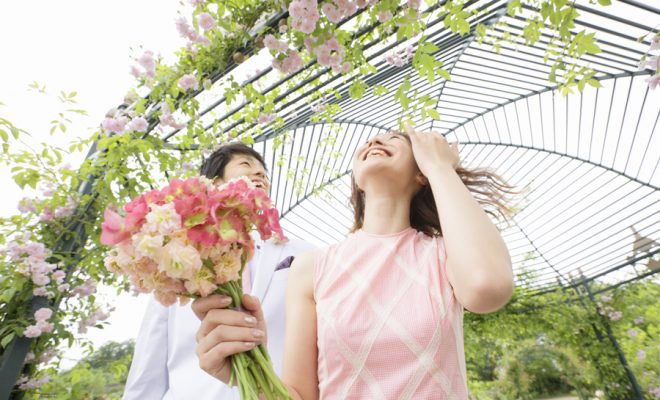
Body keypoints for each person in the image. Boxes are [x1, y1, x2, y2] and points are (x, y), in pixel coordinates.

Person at [194, 130, 515, 399]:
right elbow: (300, 396)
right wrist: (245, 368)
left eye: (393, 138)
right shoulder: (311, 268)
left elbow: (486, 287)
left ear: (421, 174)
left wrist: (441, 167)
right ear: (357, 182)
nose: (375, 140)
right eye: (369, 142)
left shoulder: (443, 255)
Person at [122, 143, 314, 400]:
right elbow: (148, 365)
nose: (260, 175)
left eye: (264, 173)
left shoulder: (305, 253)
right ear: (213, 183)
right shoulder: (178, 260)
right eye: (246, 165)